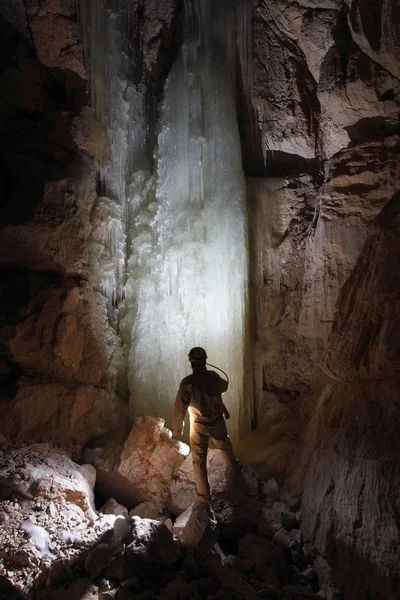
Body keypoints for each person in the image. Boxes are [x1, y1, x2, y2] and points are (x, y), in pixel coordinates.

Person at [172, 346, 238, 504]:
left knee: (199, 460)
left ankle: (204, 497)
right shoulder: (214, 377)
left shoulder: (187, 383)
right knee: (225, 445)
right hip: (217, 423)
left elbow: (179, 409)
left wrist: (177, 429)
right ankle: (235, 470)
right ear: (205, 361)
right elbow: (225, 387)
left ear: (191, 362)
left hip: (198, 427)